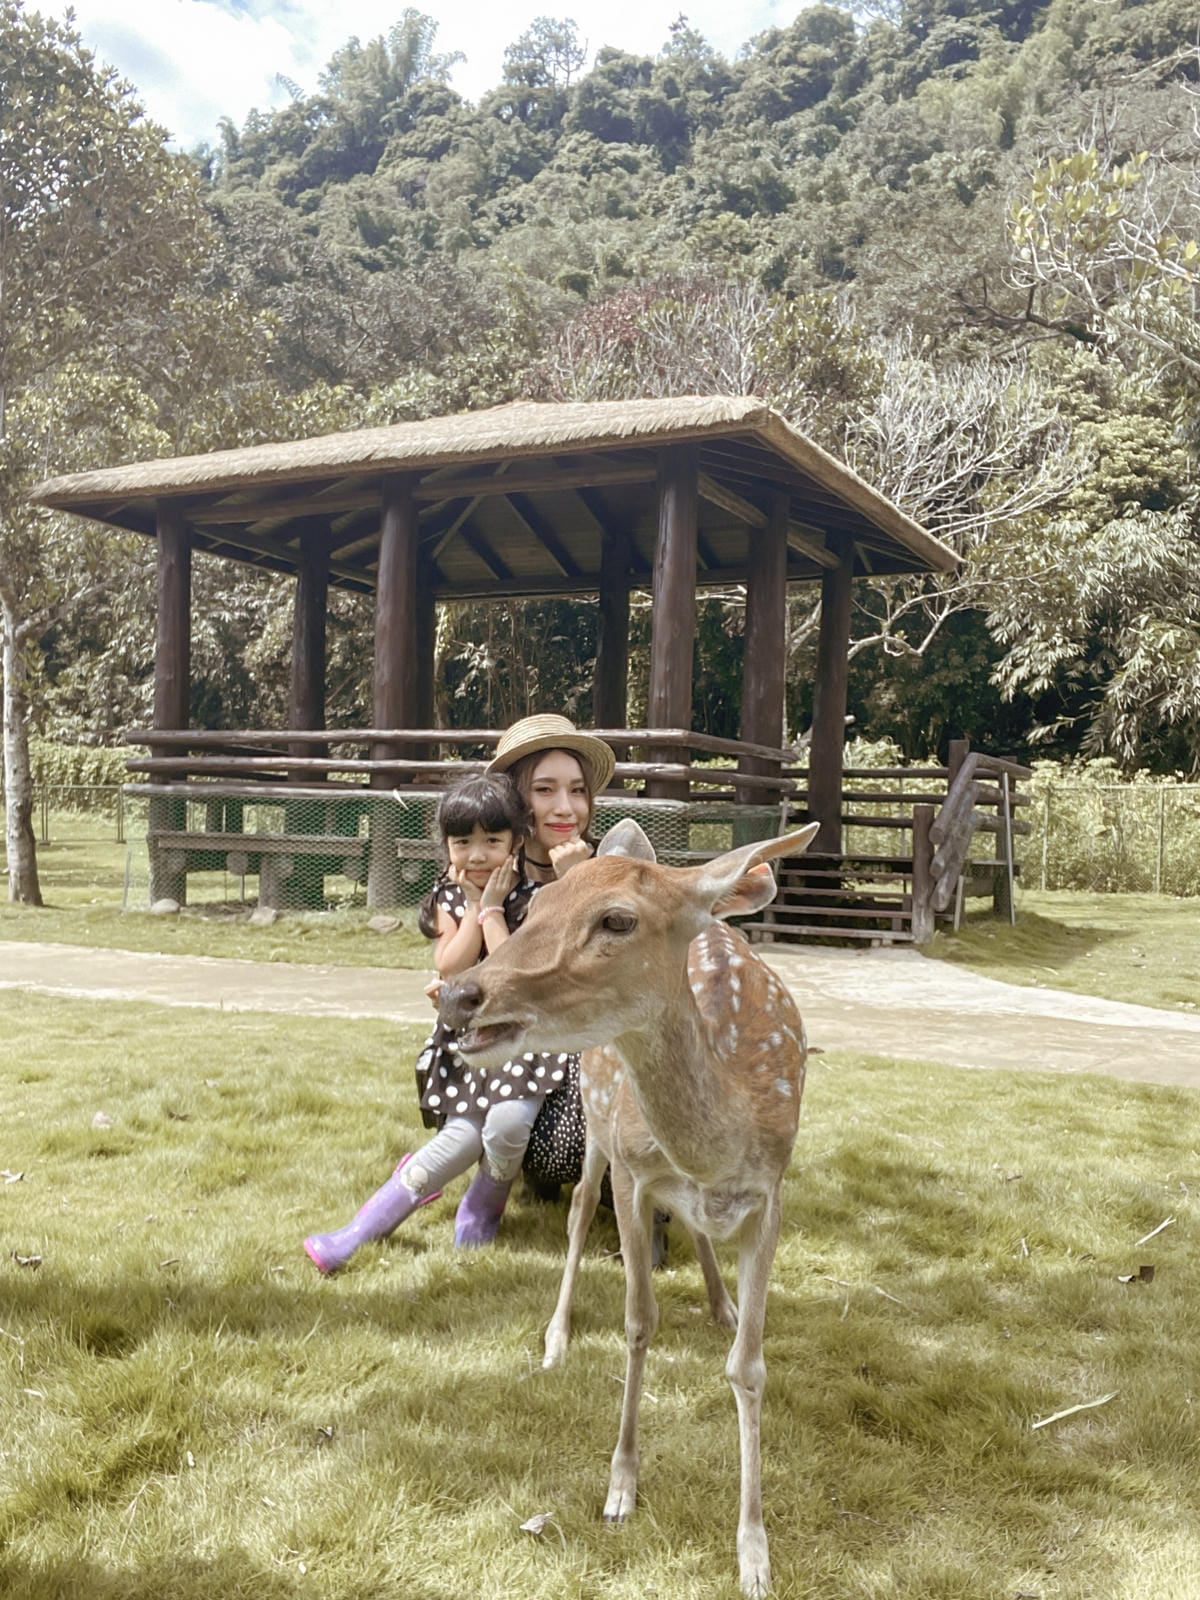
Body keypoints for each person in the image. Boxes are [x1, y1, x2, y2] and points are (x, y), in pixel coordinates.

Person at [303, 718, 616, 1271]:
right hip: (494, 1038)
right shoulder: (487, 868)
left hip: (574, 1047)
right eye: (545, 790)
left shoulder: (597, 865)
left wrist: (582, 884)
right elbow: (455, 958)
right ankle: (359, 1231)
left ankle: (497, 1202)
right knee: (467, 1134)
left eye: (578, 789)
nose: (565, 806)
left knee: (509, 1125)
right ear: (516, 804)